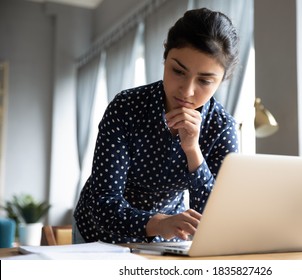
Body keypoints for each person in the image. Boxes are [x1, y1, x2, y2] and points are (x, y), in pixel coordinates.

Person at [73, 7, 240, 244]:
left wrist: (193, 151)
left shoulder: (221, 127)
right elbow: (103, 203)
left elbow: (217, 216)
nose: (187, 90)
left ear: (222, 81)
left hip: (167, 239)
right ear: (165, 58)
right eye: (178, 71)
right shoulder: (126, 107)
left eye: (204, 80)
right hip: (98, 234)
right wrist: (159, 223)